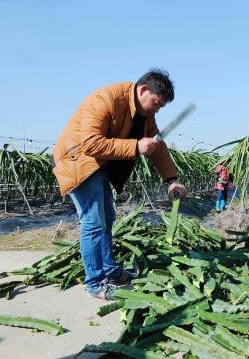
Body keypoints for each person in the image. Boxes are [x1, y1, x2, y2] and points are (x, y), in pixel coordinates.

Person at [52, 69, 187, 300]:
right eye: (156, 103)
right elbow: (90, 144)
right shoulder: (106, 98)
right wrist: (135, 147)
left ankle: (109, 269)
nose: (156, 110)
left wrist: (171, 181)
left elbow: (158, 147)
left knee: (107, 218)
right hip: (78, 161)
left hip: (99, 166)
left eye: (160, 107)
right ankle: (95, 283)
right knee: (93, 222)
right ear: (143, 90)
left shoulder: (145, 115)